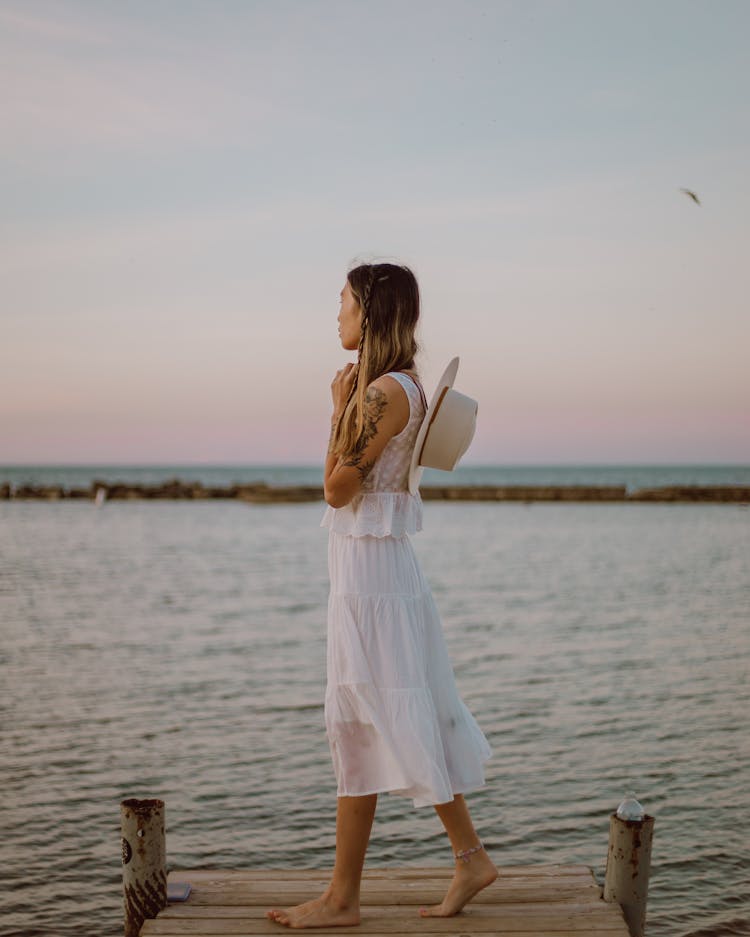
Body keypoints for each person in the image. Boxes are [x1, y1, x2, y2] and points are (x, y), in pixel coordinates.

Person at [267, 262, 496, 928]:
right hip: (374, 569)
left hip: (371, 578)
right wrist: (342, 413)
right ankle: (350, 891)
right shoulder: (398, 388)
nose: (335, 313)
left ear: (370, 311)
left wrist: (337, 411)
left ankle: (456, 858)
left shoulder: (380, 395)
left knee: (381, 714)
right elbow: (345, 483)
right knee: (367, 719)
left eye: (342, 301)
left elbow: (337, 488)